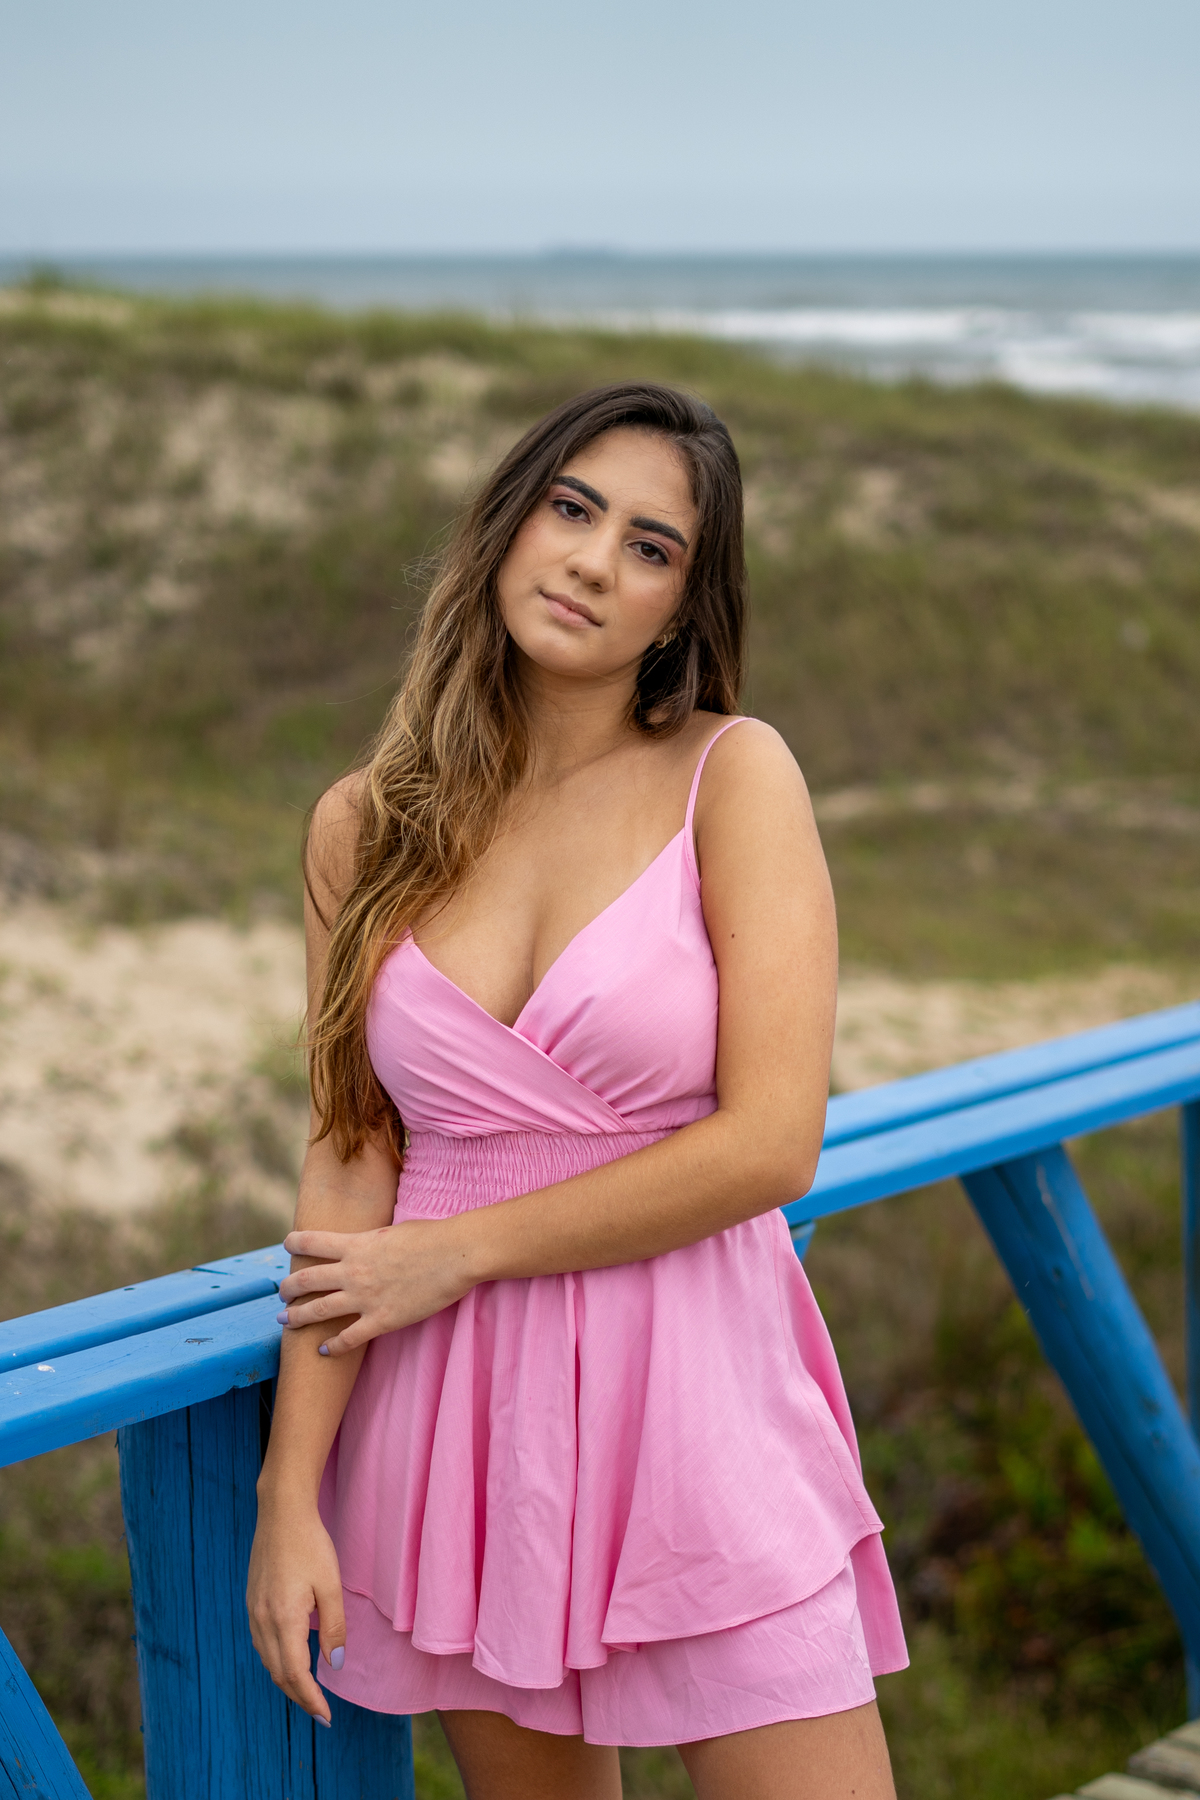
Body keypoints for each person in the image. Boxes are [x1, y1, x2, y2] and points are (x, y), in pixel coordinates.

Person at [246, 381, 907, 1799]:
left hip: (700, 1401)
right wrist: (289, 1495)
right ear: (509, 525)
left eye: (651, 547)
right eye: (573, 509)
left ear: (680, 607)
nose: (596, 561)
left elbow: (773, 1145)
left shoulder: (733, 777)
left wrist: (460, 1250)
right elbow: (350, 1157)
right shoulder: (362, 827)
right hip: (458, 1428)